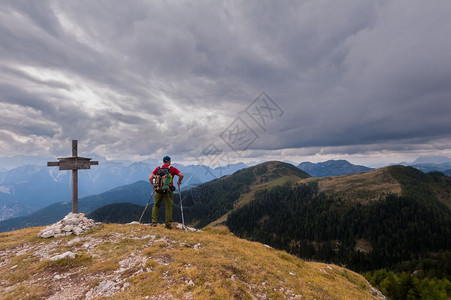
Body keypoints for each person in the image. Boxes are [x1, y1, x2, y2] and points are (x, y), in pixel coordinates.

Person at [149, 156, 184, 229]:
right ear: (169, 161)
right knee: (168, 207)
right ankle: (168, 224)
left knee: (156, 205)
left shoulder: (158, 168)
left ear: (163, 161)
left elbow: (150, 178)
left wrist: (154, 186)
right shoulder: (172, 169)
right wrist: (179, 181)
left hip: (158, 190)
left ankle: (154, 222)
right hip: (168, 190)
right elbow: (181, 175)